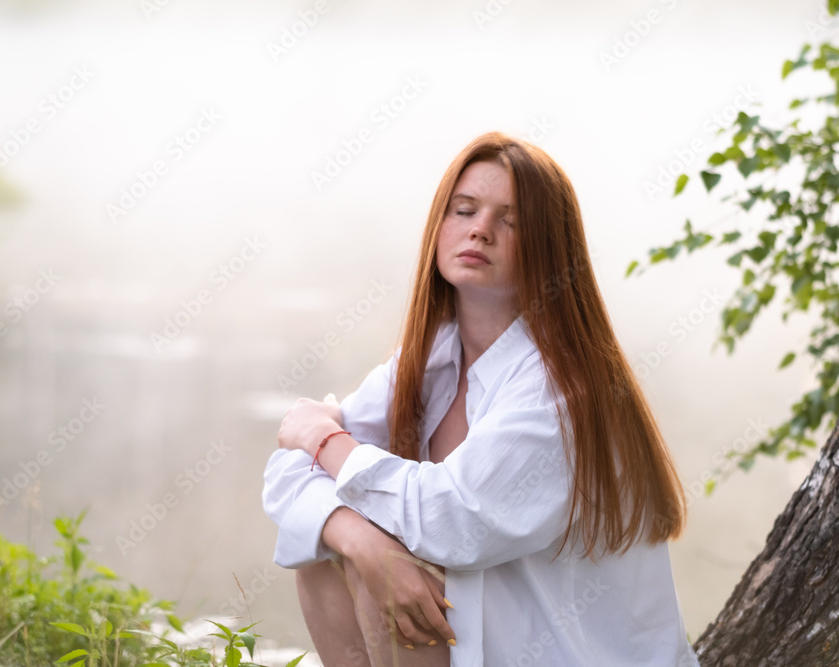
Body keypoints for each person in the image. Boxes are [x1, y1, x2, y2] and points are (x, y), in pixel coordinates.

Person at [263, 131, 701, 667]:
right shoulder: (434, 356)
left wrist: (325, 437)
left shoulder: (561, 388)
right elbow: (287, 474)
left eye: (510, 221)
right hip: (496, 644)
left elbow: (450, 520)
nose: (480, 230)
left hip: (569, 656)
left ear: (550, 249)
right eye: (464, 210)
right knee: (328, 549)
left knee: (402, 570)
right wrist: (360, 539)